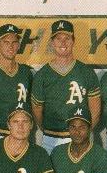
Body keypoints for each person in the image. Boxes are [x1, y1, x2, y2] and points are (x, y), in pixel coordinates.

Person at [32, 19, 101, 152]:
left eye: (67, 38)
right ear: (52, 42)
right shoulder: (42, 74)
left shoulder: (86, 72)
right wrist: (48, 129)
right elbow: (37, 110)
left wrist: (83, 133)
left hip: (81, 138)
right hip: (51, 138)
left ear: (73, 41)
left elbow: (95, 110)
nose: (63, 43)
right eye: (58, 39)